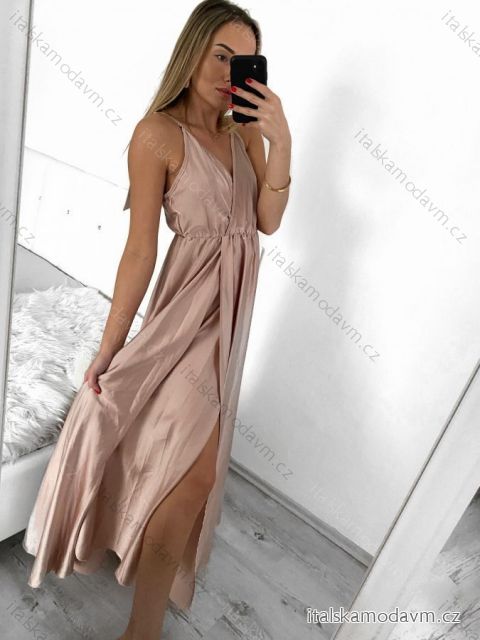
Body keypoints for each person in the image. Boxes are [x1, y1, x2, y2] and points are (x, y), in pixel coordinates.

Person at [22, 1, 291, 638]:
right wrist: (109, 346)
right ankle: (141, 629)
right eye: (220, 55)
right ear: (192, 52)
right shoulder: (157, 135)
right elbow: (140, 249)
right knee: (193, 471)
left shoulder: (244, 133)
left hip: (231, 315)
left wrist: (281, 139)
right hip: (184, 313)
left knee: (191, 466)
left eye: (243, 62)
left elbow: (267, 221)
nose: (228, 72)